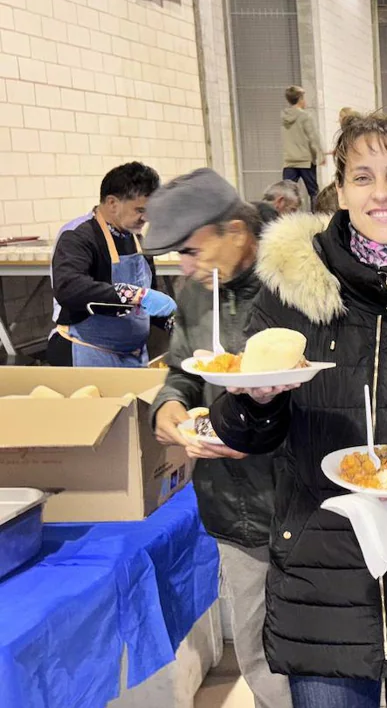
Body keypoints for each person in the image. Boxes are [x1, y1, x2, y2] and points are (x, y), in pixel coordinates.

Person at [210, 112, 387, 708]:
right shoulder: (292, 285)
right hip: (321, 563)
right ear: (339, 191)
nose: (382, 193)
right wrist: (254, 404)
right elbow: (245, 427)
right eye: (362, 177)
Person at [143, 170, 291, 708]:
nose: (183, 267)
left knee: (326, 643)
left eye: (189, 249)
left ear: (235, 230)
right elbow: (184, 369)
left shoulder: (296, 281)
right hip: (233, 500)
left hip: (307, 501)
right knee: (254, 643)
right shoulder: (194, 293)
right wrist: (171, 404)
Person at [48, 162, 174, 367]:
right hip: (88, 352)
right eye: (140, 209)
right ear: (112, 203)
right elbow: (69, 288)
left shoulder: (137, 240)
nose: (147, 217)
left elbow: (148, 303)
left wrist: (173, 320)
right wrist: (137, 295)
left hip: (132, 355)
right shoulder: (78, 236)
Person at [281, 86, 323, 204]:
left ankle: (286, 219)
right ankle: (317, 217)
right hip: (305, 160)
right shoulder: (305, 116)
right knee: (313, 192)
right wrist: (319, 154)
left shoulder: (284, 116)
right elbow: (312, 137)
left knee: (287, 193)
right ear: (300, 99)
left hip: (289, 160)